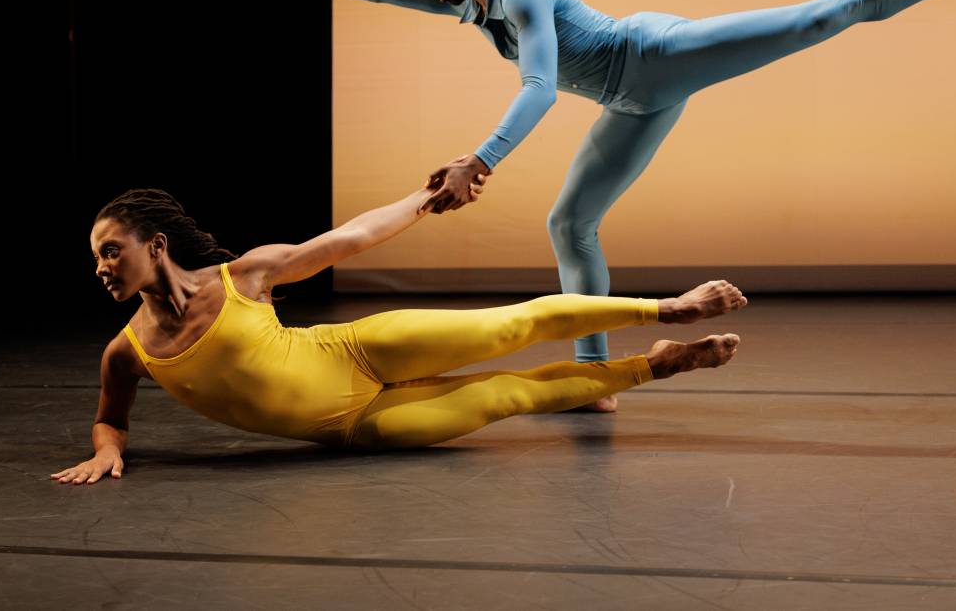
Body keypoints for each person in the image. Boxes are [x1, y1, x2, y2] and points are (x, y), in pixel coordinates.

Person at [223, 0, 956, 410]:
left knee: (824, 16)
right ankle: (594, 378)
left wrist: (480, 160)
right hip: (634, 107)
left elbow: (542, 87)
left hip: (657, 57)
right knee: (571, 225)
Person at [52, 185, 746, 484]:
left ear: (156, 244)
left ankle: (667, 311)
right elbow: (110, 420)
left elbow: (350, 237)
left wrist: (425, 198)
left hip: (357, 347)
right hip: (357, 423)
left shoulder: (244, 276)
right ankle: (658, 366)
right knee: (508, 397)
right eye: (95, 256)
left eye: (111, 249)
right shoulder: (128, 350)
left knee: (510, 324)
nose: (101, 266)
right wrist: (105, 451)